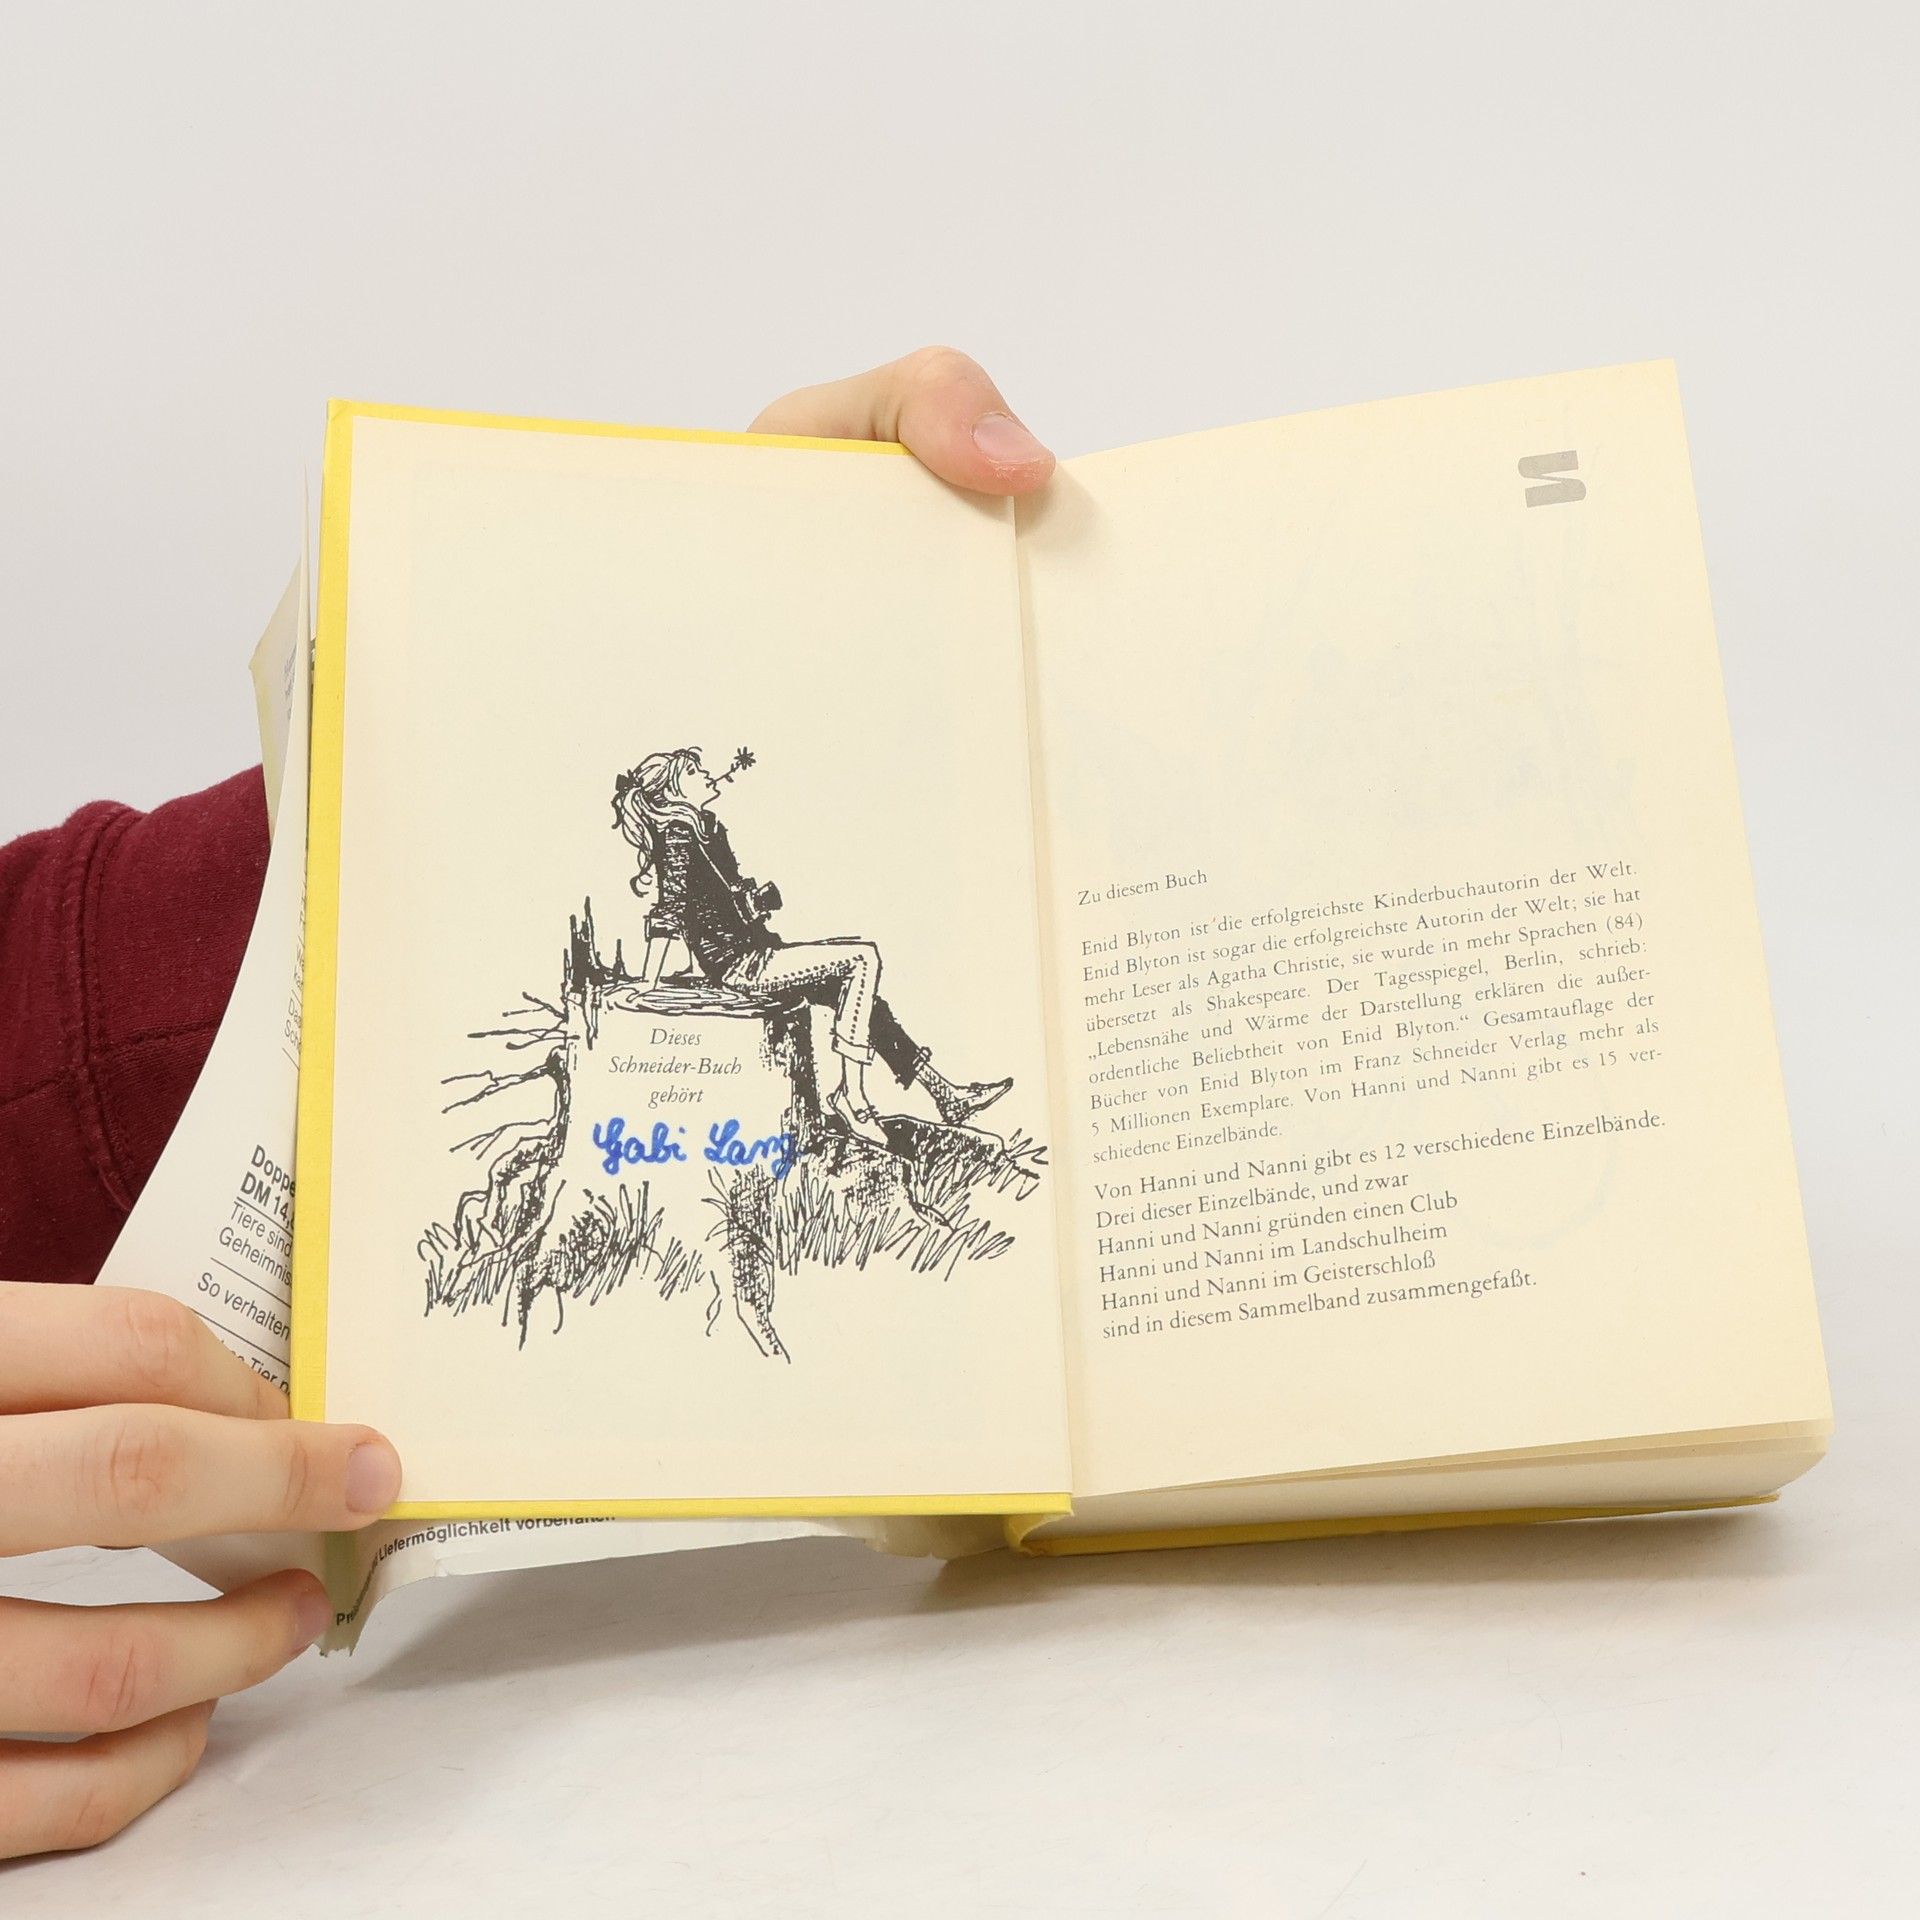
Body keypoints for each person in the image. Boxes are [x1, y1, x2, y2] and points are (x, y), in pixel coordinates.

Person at [0, 348, 1055, 1858]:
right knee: (852, 968)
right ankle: (887, 1104)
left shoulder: (685, 826)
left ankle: (897, 1101)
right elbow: (698, 897)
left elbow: (49, 1026)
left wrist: (499, 729)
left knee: (852, 966)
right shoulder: (674, 836)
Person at [613, 746, 1011, 1142]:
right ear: (673, 791)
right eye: (693, 771)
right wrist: (648, 983)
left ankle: (946, 1096)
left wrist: (753, 904)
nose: (706, 774)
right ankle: (852, 1098)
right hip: (744, 966)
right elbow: (671, 909)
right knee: (862, 958)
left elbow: (713, 907)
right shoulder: (677, 837)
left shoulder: (707, 830)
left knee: (861, 999)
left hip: (758, 952)